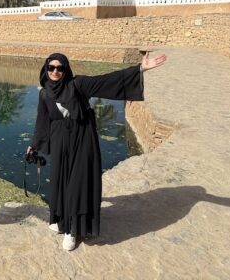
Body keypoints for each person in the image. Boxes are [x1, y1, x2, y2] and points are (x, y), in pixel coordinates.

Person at [27, 51, 166, 251]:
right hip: (59, 143)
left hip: (82, 141)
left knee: (77, 185)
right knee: (60, 182)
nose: (55, 71)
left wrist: (140, 69)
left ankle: (72, 230)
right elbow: (42, 120)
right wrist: (34, 144)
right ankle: (61, 219)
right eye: (51, 67)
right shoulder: (45, 92)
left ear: (66, 70)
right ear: (46, 68)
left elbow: (107, 81)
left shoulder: (78, 84)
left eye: (60, 68)